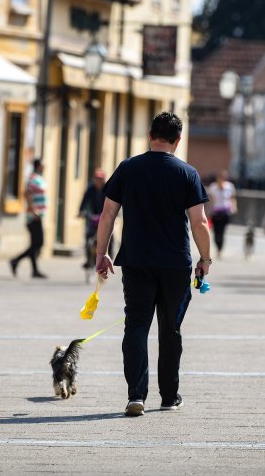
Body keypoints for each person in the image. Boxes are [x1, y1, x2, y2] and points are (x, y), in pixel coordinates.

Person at [95, 111, 211, 417]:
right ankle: (169, 397)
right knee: (170, 330)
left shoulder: (128, 168)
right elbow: (199, 222)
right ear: (179, 139)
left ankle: (137, 395)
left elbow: (108, 214)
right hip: (175, 264)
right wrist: (205, 258)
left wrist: (101, 253)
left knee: (135, 326)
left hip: (136, 260)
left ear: (150, 135)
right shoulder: (187, 173)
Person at [10, 158, 48, 279]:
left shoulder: (39, 178)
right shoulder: (33, 179)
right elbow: (27, 194)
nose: (44, 166)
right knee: (39, 243)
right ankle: (15, 260)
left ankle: (34, 270)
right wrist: (34, 210)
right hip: (33, 217)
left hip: (38, 216)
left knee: (34, 244)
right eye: (43, 165)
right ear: (38, 166)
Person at [78, 168, 108, 268]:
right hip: (93, 216)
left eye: (100, 179)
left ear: (103, 179)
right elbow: (84, 200)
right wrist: (81, 211)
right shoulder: (90, 189)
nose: (98, 181)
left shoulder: (107, 188)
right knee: (88, 237)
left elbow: (114, 202)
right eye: (96, 178)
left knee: (110, 236)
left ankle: (109, 255)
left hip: (105, 215)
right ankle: (88, 260)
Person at [207, 169, 237, 258]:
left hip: (225, 211)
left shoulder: (230, 187)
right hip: (216, 212)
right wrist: (208, 211)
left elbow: (232, 198)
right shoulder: (213, 187)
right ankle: (217, 246)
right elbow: (211, 200)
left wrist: (234, 207)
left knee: (222, 231)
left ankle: (220, 249)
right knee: (216, 231)